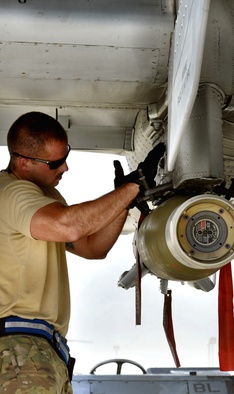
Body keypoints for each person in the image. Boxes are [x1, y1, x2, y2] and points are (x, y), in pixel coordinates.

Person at [0, 112, 143, 392]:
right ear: (23, 162)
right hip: (18, 351)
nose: (65, 167)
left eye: (65, 156)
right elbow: (69, 226)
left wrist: (123, 202)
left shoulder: (45, 196)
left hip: (38, 350)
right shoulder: (12, 194)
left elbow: (93, 247)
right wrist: (131, 189)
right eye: (55, 163)